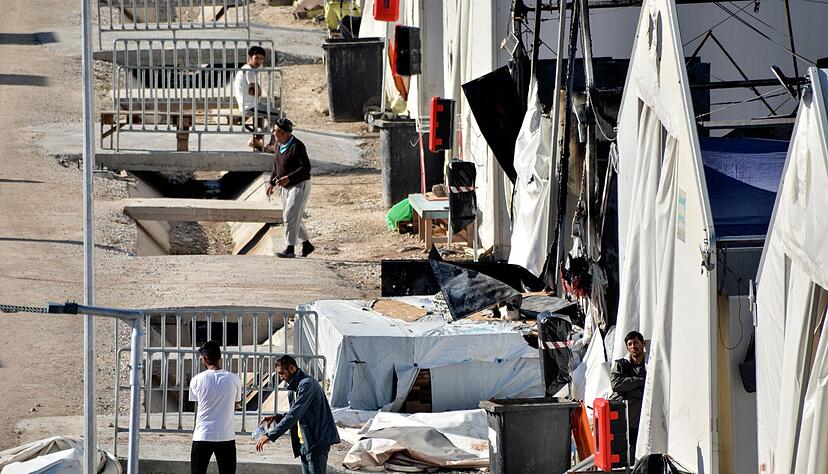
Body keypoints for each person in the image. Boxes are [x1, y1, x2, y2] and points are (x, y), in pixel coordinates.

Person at [255, 355, 340, 474]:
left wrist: (270, 435)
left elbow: (295, 414)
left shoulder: (307, 385)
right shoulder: (293, 389)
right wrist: (277, 417)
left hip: (316, 443)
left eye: (282, 373)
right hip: (304, 443)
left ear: (291, 368)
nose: (281, 378)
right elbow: (296, 413)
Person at [189, 341, 243, 474]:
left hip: (202, 434)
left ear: (205, 359)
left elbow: (198, 404)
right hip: (226, 435)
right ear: (220, 357)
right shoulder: (234, 379)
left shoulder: (196, 380)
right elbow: (236, 404)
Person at [265, 118, 314, 258]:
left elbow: (305, 168)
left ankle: (290, 249)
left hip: (299, 185)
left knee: (290, 215)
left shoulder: (297, 146)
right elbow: (277, 165)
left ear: (283, 133)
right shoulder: (278, 146)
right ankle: (307, 245)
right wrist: (271, 183)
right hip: (285, 187)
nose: (273, 134)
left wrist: (288, 178)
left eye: (275, 131)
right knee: (292, 216)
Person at [234, 45, 280, 151]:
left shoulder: (246, 69)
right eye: (256, 58)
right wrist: (257, 89)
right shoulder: (249, 70)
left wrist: (255, 90)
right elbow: (257, 92)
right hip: (250, 107)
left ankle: (256, 139)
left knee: (275, 118)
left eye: (261, 59)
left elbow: (255, 91)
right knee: (281, 117)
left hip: (251, 105)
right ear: (250, 58)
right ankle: (271, 145)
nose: (258, 61)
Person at [610, 330, 647, 462]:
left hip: (642, 419)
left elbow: (649, 390)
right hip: (624, 420)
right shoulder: (621, 364)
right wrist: (639, 381)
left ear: (643, 344)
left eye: (636, 342)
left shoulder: (649, 365)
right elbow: (615, 384)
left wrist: (629, 388)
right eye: (630, 344)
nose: (633, 346)